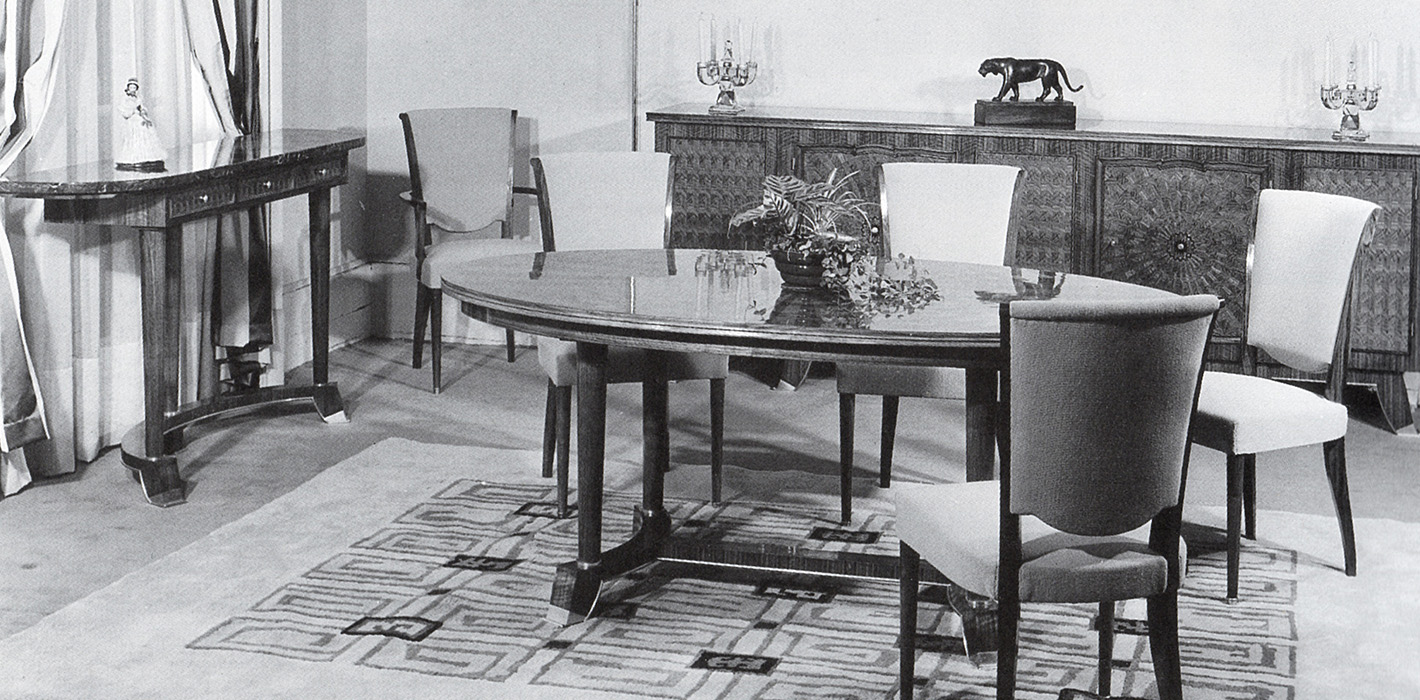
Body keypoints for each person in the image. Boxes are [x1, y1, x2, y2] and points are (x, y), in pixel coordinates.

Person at [115, 78, 167, 171]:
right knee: (135, 135)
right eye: (131, 87)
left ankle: (146, 155)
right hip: (132, 120)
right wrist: (133, 108)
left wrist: (143, 113)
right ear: (128, 88)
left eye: (134, 88)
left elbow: (142, 108)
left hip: (139, 117)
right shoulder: (125, 99)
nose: (133, 89)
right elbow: (124, 111)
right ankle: (134, 156)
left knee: (145, 129)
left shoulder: (138, 98)